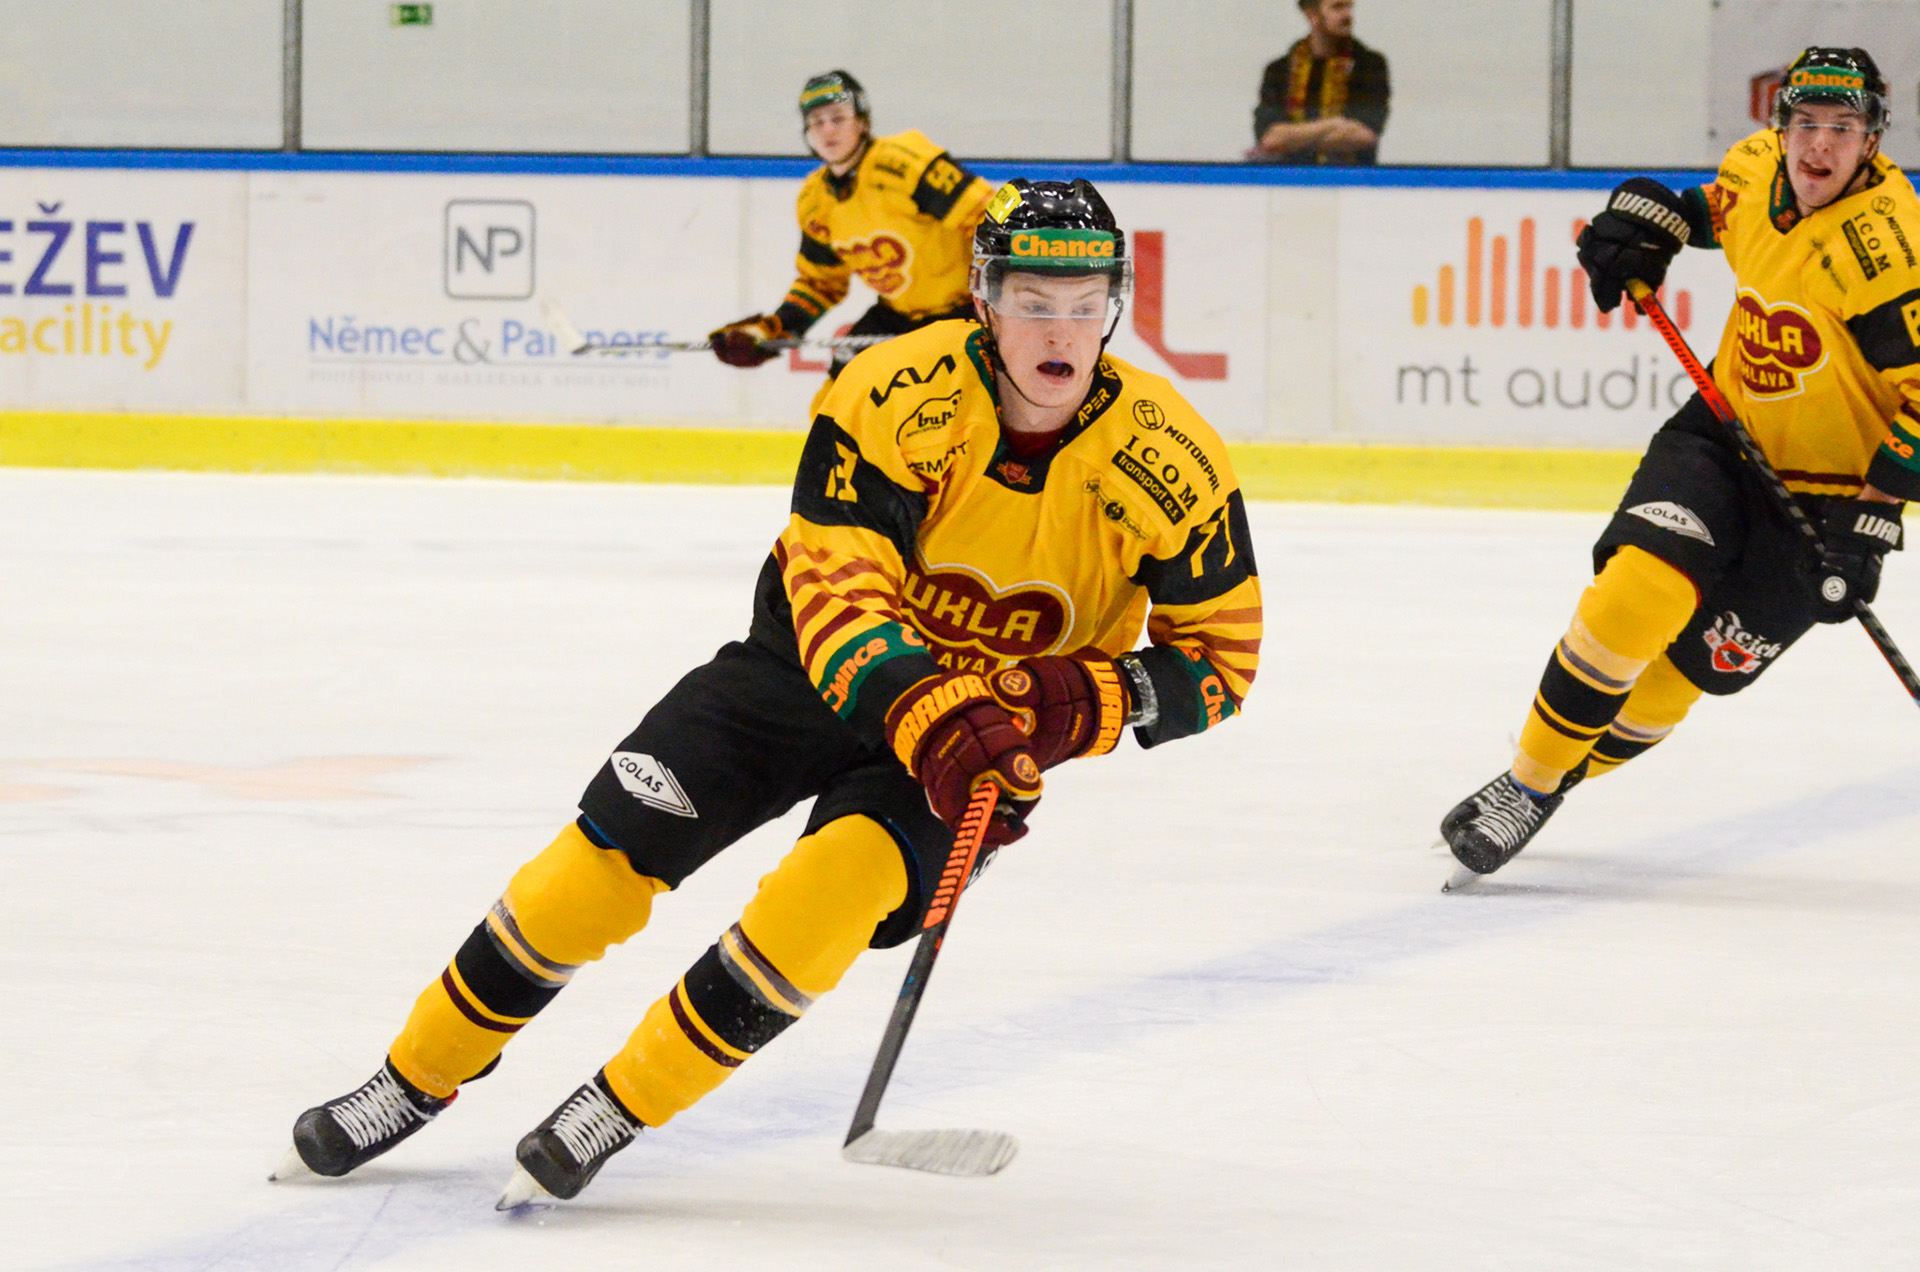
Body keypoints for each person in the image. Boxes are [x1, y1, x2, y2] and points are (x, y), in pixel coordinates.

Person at [275, 179, 1262, 1206]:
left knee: (825, 899)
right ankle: (410, 1079)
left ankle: (614, 1108)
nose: (1060, 330)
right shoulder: (895, 391)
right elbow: (838, 598)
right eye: (1032, 300)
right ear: (984, 298)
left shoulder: (1173, 459)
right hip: (801, 676)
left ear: (1115, 304)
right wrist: (940, 711)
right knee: (598, 866)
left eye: (1084, 303)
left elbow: (1219, 663)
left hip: (967, 741)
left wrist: (1069, 706)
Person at [1441, 47, 1918, 877]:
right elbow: (1711, 212)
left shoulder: (1890, 252)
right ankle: (1527, 783)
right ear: (1780, 125)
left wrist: (1872, 520)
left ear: (1873, 140)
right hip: (1722, 441)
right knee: (1637, 595)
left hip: (1829, 499)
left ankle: (1556, 777)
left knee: (1684, 677)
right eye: (1806, 122)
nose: (1819, 145)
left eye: (1842, 128)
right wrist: (1653, 227)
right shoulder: (1757, 166)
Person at [709, 70, 996, 381]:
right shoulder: (815, 200)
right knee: (840, 390)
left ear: (862, 122)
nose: (827, 130)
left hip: (967, 311)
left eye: (838, 118)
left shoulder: (904, 163)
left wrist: (1000, 303)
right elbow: (821, 284)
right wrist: (772, 330)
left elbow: (989, 217)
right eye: (816, 122)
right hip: (895, 317)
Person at [1250, 0, 1389, 166]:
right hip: (1292, 177)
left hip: (1351, 177)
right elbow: (1270, 140)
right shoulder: (1280, 70)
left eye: (1349, 6)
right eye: (1337, 7)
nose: (1347, 15)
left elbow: (1365, 136)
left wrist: (1293, 137)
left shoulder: (1369, 65)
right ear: (1312, 15)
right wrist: (1335, 125)